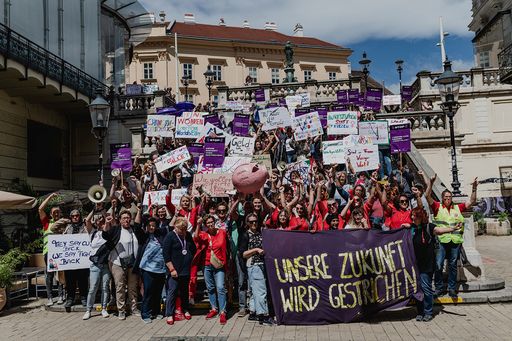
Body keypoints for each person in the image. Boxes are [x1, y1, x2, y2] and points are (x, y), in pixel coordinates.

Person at [426, 175, 478, 298]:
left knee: (453, 265)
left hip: (455, 241)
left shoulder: (457, 207)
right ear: (442, 198)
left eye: (449, 197)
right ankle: (438, 288)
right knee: (438, 265)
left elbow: (472, 201)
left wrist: (474, 188)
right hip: (442, 241)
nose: (448, 199)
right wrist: (431, 184)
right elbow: (427, 196)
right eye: (446, 197)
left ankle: (452, 288)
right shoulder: (437, 207)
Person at [103, 209, 143, 320]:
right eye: (124, 218)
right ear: (120, 220)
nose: (126, 220)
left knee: (132, 287)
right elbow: (105, 235)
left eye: (128, 217)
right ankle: (121, 310)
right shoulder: (115, 230)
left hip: (132, 263)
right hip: (117, 263)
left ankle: (133, 308)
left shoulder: (134, 229)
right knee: (119, 286)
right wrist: (107, 223)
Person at [239, 213, 275, 325]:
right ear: (247, 223)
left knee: (255, 291)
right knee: (261, 291)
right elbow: (243, 253)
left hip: (261, 265)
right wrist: (256, 249)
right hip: (254, 265)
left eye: (255, 221)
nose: (254, 223)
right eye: (251, 222)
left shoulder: (260, 233)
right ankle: (263, 315)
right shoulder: (245, 235)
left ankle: (253, 313)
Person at [194, 215, 228, 325]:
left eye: (211, 222)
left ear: (215, 222)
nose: (210, 224)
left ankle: (222, 311)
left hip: (219, 264)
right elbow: (195, 238)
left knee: (220, 287)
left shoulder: (222, 232)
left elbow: (227, 247)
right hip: (207, 264)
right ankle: (214, 308)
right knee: (210, 287)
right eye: (208, 223)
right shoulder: (204, 234)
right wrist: (198, 225)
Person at [134, 216, 169, 324]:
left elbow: (170, 226)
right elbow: (136, 226)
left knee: (158, 292)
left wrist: (176, 214)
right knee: (148, 291)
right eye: (149, 225)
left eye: (153, 225)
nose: (151, 227)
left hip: (161, 269)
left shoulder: (161, 235)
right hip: (147, 269)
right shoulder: (143, 237)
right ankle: (145, 313)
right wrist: (140, 211)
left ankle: (156, 311)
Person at [163, 217, 196, 325]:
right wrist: (172, 269)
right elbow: (166, 255)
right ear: (175, 227)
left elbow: (193, 248)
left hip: (185, 269)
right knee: (172, 291)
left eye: (184, 229)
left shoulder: (188, 235)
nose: (183, 231)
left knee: (184, 291)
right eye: (181, 229)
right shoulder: (170, 236)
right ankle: (169, 314)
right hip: (174, 270)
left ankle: (185, 309)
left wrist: (189, 258)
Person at [410, 207, 440, 322]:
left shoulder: (429, 227)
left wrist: (452, 228)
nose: (413, 218)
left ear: (421, 217)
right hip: (415, 264)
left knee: (426, 289)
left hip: (427, 264)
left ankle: (428, 312)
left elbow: (439, 230)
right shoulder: (412, 228)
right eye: (412, 215)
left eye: (415, 216)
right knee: (418, 290)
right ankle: (420, 312)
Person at [38, 192, 65, 306]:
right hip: (49, 252)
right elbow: (40, 209)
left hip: (61, 252)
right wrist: (49, 197)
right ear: (50, 214)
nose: (56, 213)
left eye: (58, 212)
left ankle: (60, 295)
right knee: (50, 274)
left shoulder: (64, 223)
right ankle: (50, 297)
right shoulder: (47, 223)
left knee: (60, 274)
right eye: (54, 212)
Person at [83, 209, 110, 320]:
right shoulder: (93, 232)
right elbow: (87, 220)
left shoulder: (107, 232)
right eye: (97, 220)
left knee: (105, 287)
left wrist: (103, 211)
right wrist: (94, 210)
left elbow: (108, 220)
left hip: (105, 264)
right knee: (93, 288)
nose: (99, 221)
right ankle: (88, 310)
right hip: (95, 264)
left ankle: (104, 308)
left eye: (101, 220)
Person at [63, 209, 89, 310]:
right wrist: (64, 220)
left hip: (82, 260)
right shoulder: (67, 227)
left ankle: (84, 298)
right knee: (70, 281)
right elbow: (53, 228)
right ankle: (70, 298)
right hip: (70, 261)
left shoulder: (85, 227)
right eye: (73, 216)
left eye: (77, 215)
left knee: (83, 280)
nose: (75, 217)